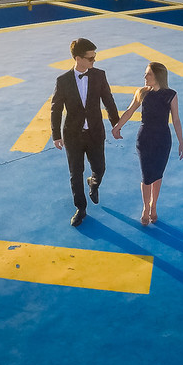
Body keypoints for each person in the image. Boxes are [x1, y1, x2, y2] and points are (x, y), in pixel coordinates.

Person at [51, 38, 122, 227]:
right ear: (77, 58)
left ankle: (94, 183)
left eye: (94, 57)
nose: (94, 61)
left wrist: (116, 124)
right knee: (76, 173)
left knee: (100, 168)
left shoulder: (99, 75)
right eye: (90, 58)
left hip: (95, 132)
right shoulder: (63, 80)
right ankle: (80, 209)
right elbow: (56, 109)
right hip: (72, 135)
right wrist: (56, 135)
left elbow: (108, 100)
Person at [112, 61, 183, 226]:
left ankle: (154, 206)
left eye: (148, 74)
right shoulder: (142, 93)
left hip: (163, 140)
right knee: (146, 177)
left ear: (158, 76)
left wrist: (181, 142)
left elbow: (176, 120)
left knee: (158, 175)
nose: (145, 76)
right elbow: (129, 112)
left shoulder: (171, 94)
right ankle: (145, 207)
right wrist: (117, 127)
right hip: (144, 139)